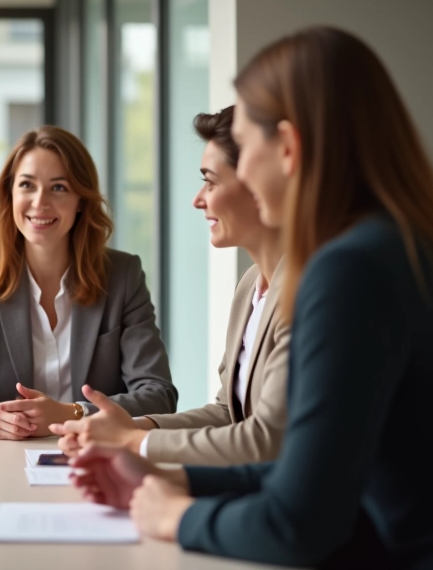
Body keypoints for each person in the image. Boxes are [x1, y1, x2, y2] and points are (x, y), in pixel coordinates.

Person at [70, 27, 433, 568]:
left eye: (246, 147)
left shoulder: (350, 270)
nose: (243, 173)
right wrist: (176, 479)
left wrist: (173, 515)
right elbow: (314, 469)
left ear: (290, 148)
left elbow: (299, 524)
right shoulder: (399, 246)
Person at [52, 105, 289, 465]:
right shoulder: (250, 287)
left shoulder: (305, 291)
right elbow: (227, 413)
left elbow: (266, 440)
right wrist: (133, 427)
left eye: (211, 182)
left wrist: (134, 442)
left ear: (257, 184)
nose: (198, 199)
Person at [0, 125, 177, 439]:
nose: (40, 202)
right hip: (3, 456)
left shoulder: (122, 275)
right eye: (27, 185)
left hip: (95, 453)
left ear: (81, 200)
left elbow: (159, 394)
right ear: (10, 194)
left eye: (59, 187)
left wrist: (72, 413)